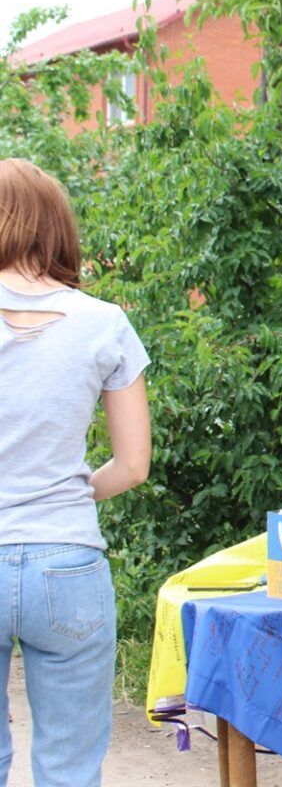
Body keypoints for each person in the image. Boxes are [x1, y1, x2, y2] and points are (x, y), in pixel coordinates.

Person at [0, 158, 151, 787]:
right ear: (56, 227)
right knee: (70, 769)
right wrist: (66, 495)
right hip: (67, 561)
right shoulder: (103, 322)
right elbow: (134, 465)